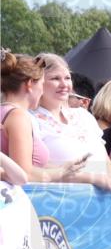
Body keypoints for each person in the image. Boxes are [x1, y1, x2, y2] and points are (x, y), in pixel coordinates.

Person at [31, 53, 111, 191]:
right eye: (55, 78)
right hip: (59, 202)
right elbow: (34, 167)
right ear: (38, 82)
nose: (64, 84)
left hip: (103, 201)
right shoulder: (29, 119)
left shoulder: (84, 116)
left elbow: (105, 163)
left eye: (67, 78)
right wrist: (91, 177)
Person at [1, 51, 86, 183]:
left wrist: (62, 168)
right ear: (30, 84)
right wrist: (62, 173)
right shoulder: (18, 116)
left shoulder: (8, 112)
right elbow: (25, 173)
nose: (41, 91)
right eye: (41, 84)